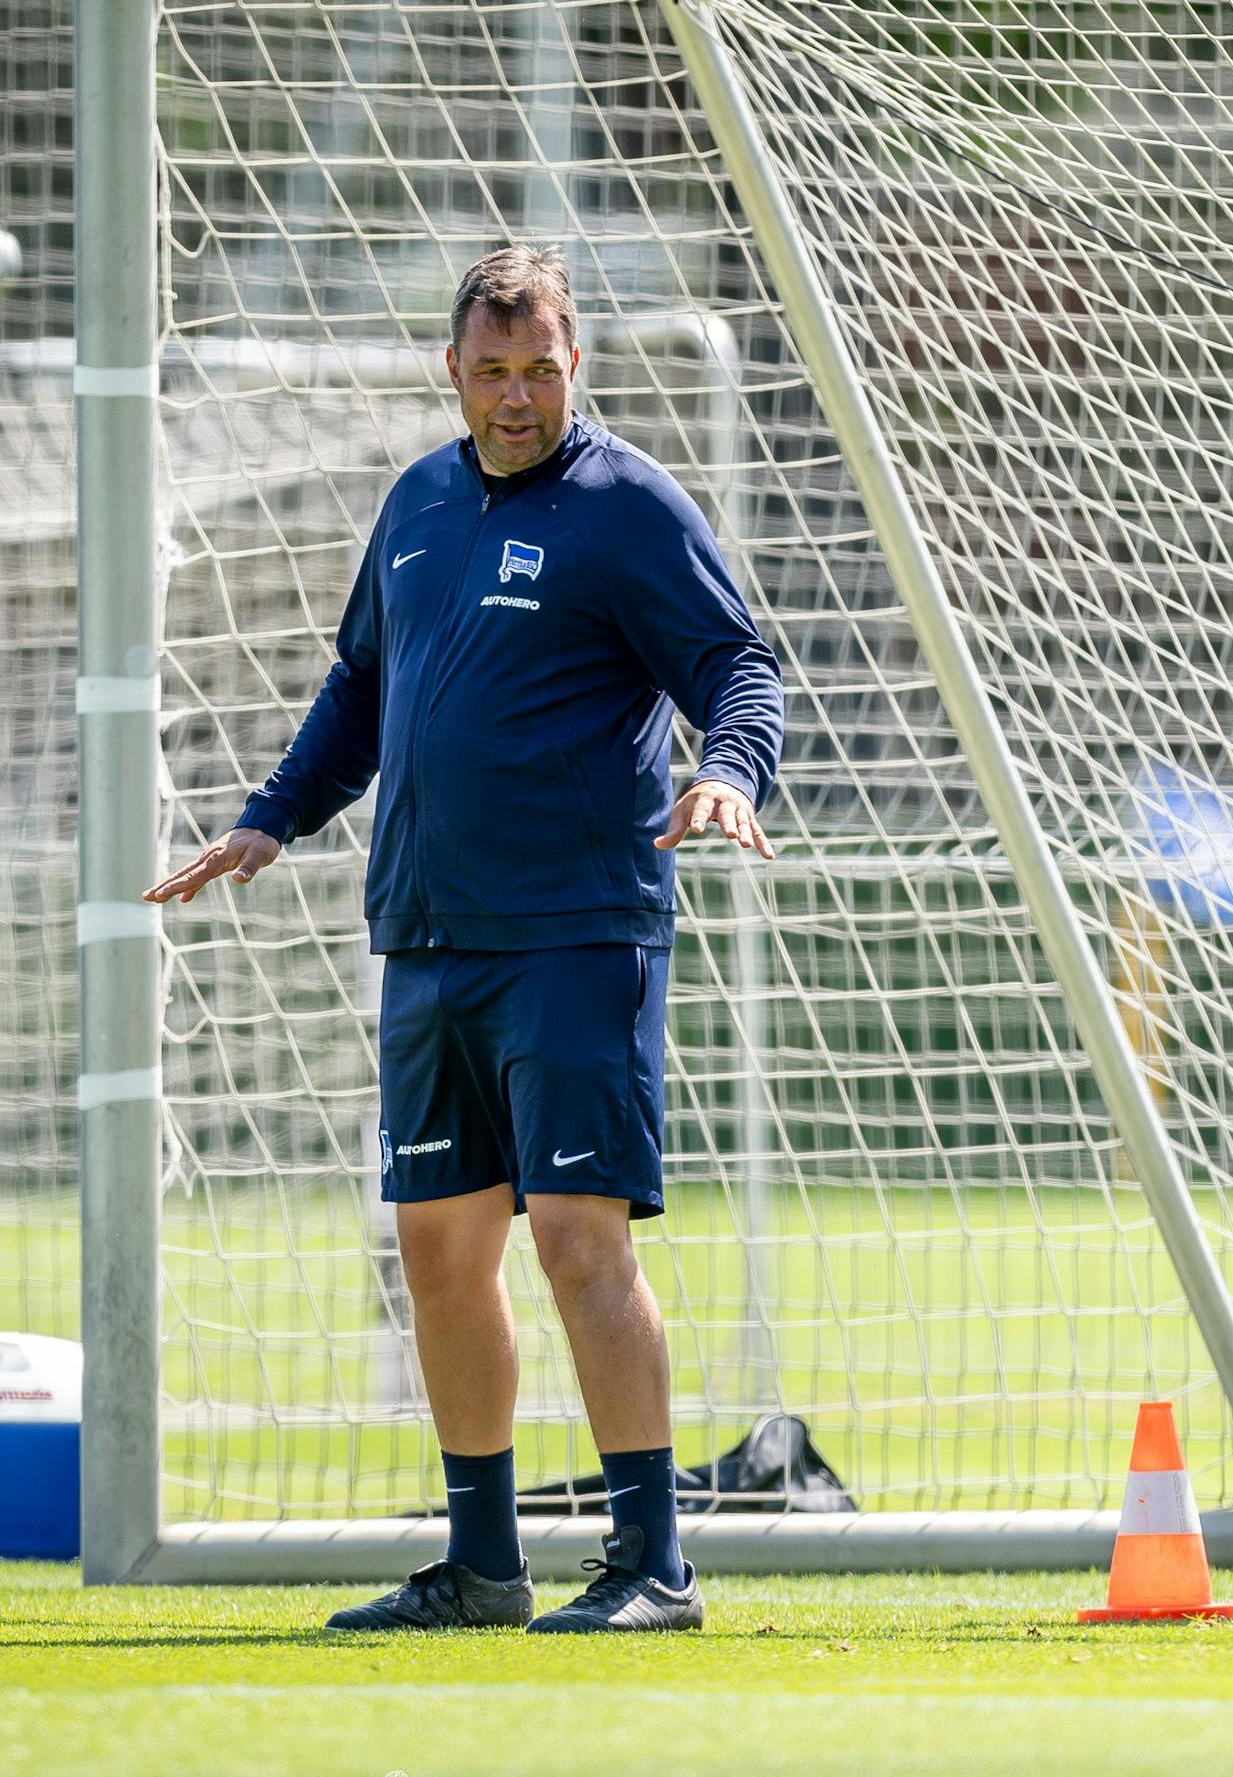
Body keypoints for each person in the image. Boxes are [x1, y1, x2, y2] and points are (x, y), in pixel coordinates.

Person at [145, 245, 785, 1634]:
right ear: (453, 372)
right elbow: (363, 688)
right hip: (428, 937)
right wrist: (271, 819)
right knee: (439, 1254)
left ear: (577, 366)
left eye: (538, 370)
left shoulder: (624, 506)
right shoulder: (420, 504)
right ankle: (483, 1567)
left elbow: (739, 665)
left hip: (576, 933)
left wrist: (728, 768)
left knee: (576, 1239)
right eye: (490, 372)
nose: (513, 396)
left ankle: (651, 1567)